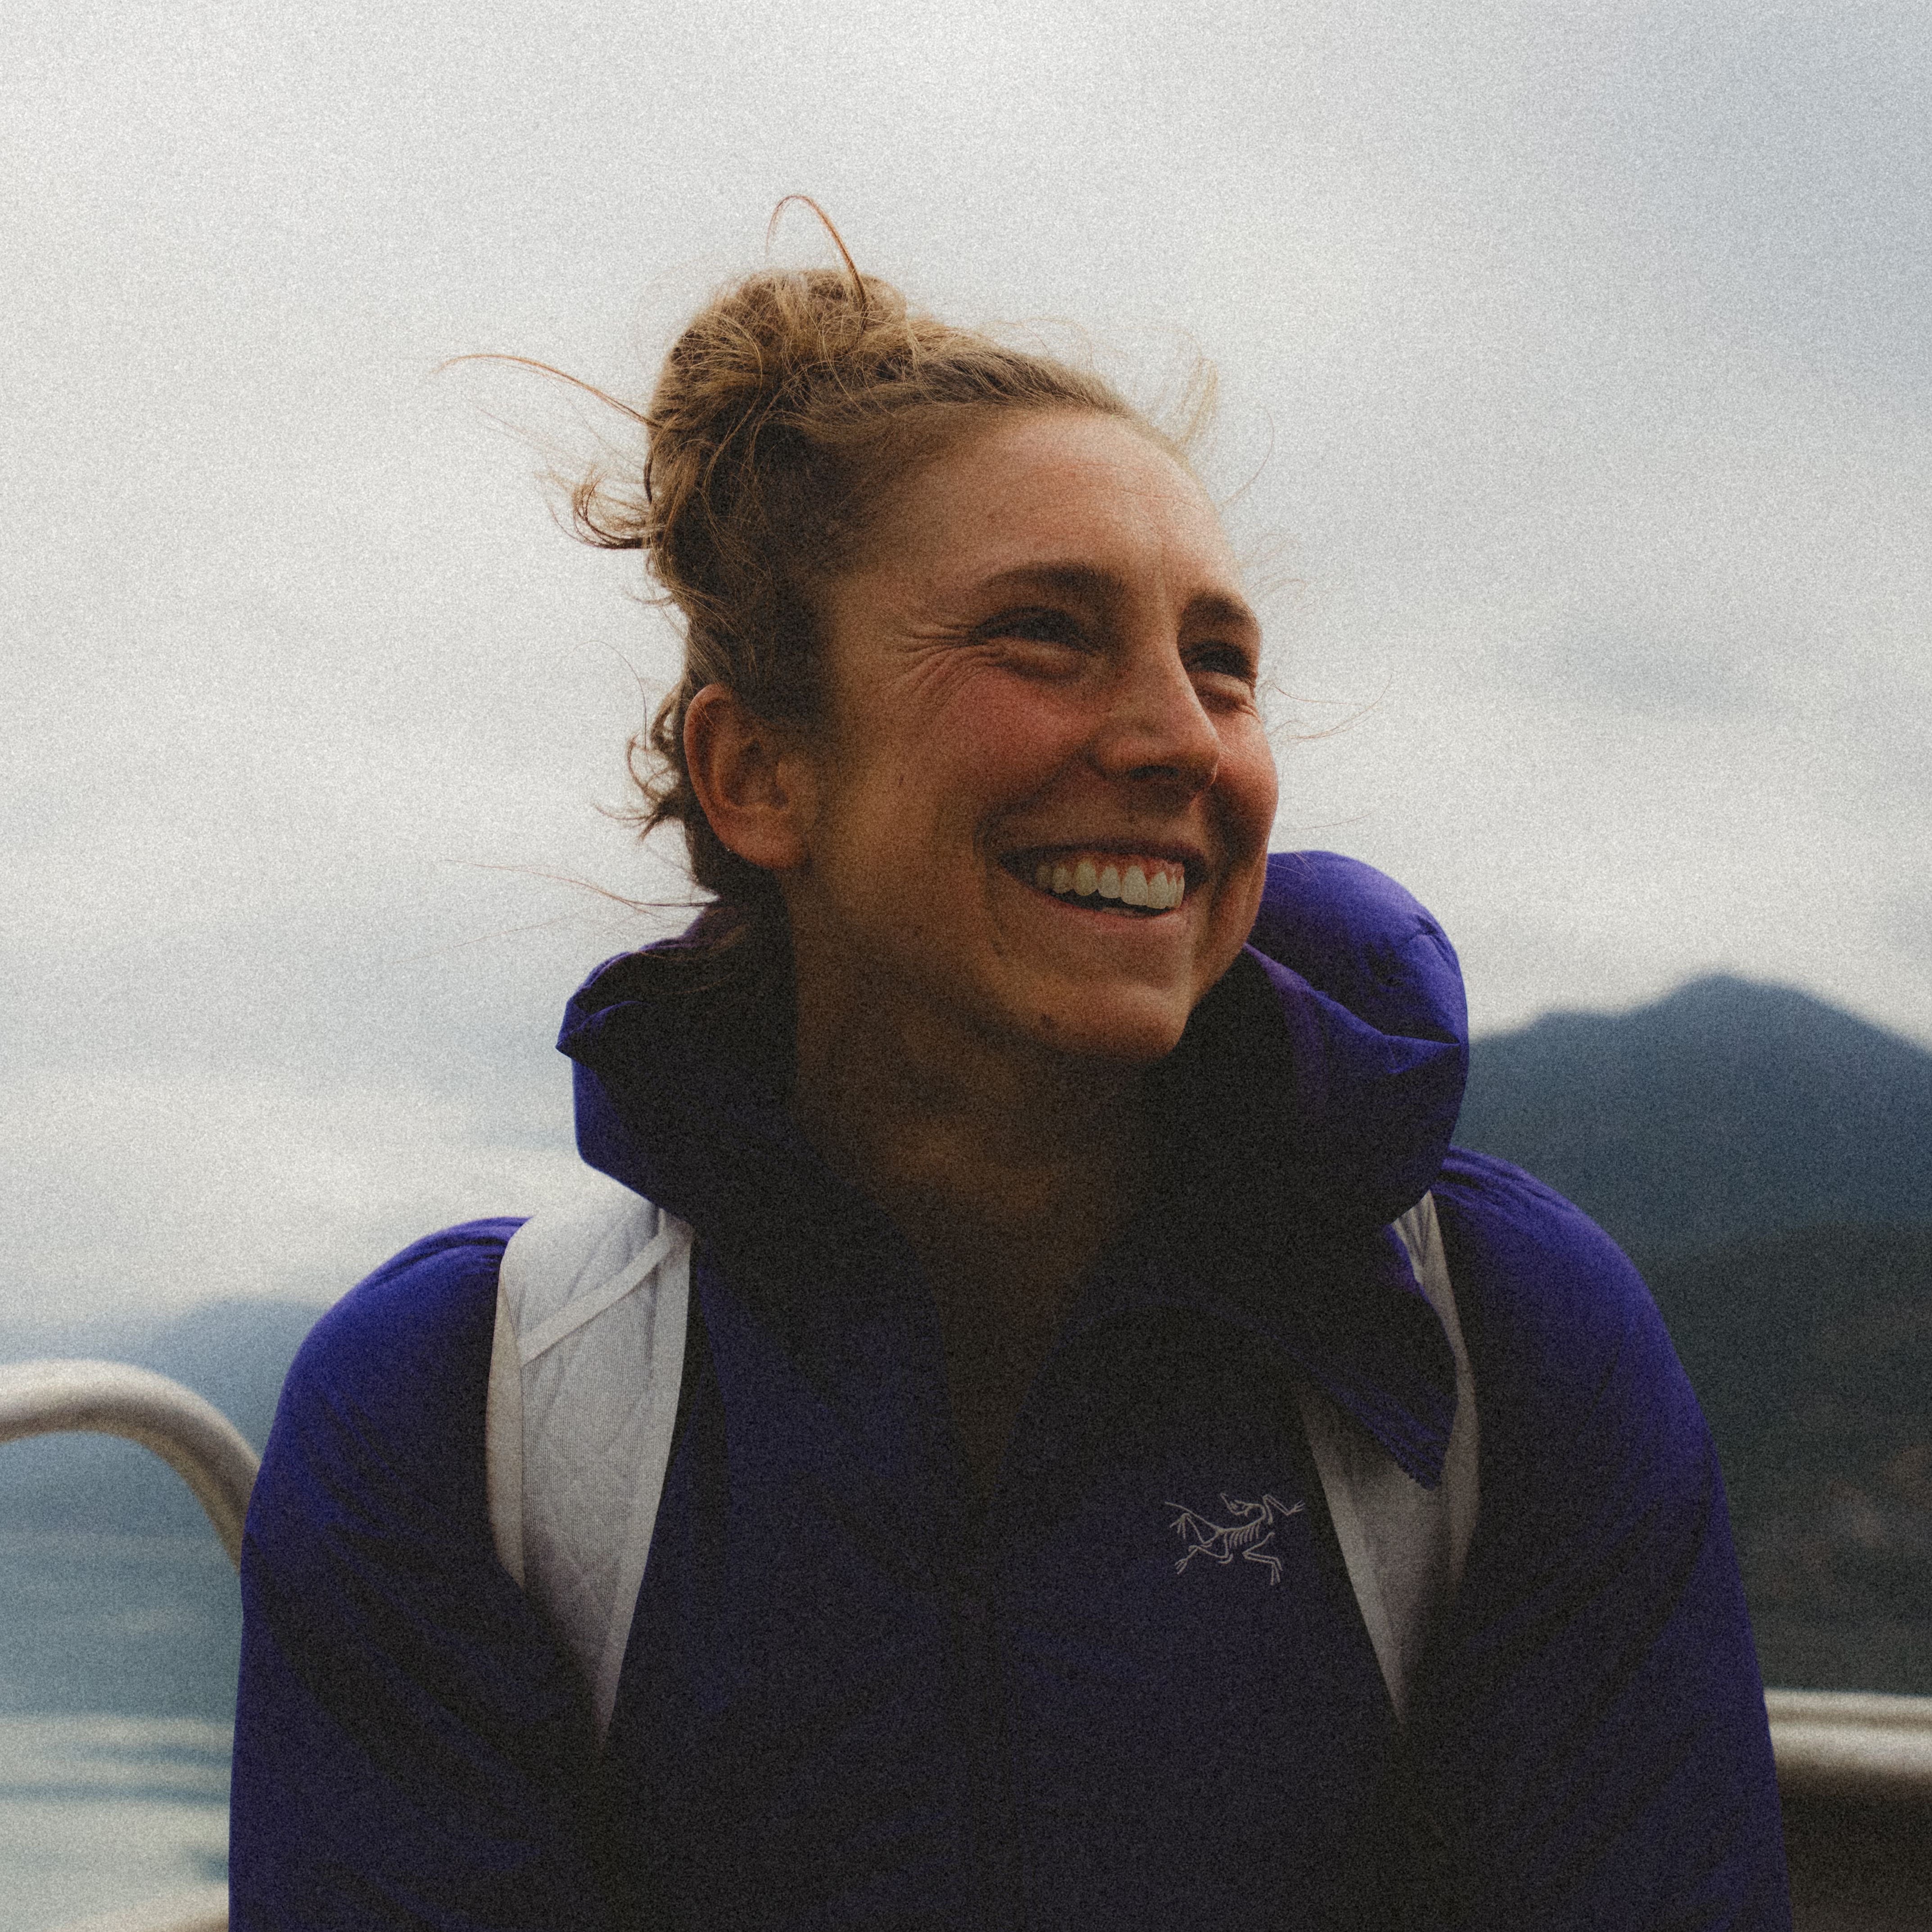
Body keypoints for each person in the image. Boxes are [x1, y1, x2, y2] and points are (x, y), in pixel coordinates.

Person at [229, 223, 1791, 1929]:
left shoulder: (1500, 1353)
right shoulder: (466, 1420)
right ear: (758, 772)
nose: (1180, 738)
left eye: (1220, 663)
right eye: (1045, 634)